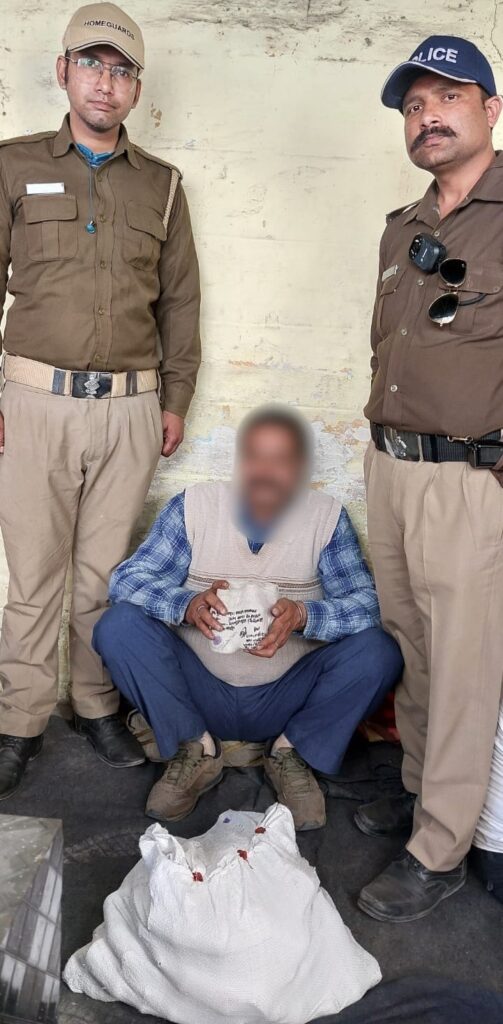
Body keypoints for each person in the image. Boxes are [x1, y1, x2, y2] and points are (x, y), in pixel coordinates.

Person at [0, 2, 201, 798]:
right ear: (63, 72)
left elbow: (180, 303)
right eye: (91, 64)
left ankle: (93, 705)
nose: (104, 83)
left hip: (129, 408)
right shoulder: (13, 165)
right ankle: (19, 720)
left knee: (103, 578)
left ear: (136, 89)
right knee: (33, 576)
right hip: (34, 404)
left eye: (121, 71)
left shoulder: (162, 186)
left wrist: (174, 398)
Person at [93, 405, 403, 830]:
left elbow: (368, 604)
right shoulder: (194, 507)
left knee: (379, 651)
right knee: (118, 626)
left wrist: (304, 615)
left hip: (287, 701)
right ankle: (195, 748)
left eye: (280, 460)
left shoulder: (326, 518)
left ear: (300, 468)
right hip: (197, 695)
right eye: (255, 457)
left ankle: (290, 753)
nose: (265, 472)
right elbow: (127, 580)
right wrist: (187, 605)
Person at [356, 36, 503, 921]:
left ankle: (439, 847)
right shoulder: (399, 228)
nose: (427, 116)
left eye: (447, 97)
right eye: (413, 105)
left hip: (466, 481)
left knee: (460, 668)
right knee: (410, 645)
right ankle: (418, 793)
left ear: (490, 109)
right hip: (389, 467)